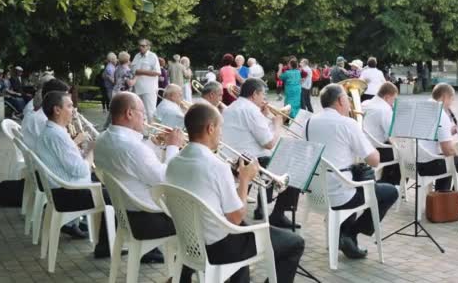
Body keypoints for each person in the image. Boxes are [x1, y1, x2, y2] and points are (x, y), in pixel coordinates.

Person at [166, 103, 305, 283]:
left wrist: (236, 179)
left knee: (247, 229)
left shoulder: (173, 162)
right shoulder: (216, 166)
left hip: (190, 242)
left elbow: (208, 192)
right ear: (210, 128)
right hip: (219, 246)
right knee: (294, 243)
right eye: (220, 127)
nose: (221, 133)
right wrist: (245, 180)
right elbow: (236, 217)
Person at [95, 92, 191, 268]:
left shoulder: (103, 138)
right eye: (142, 112)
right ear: (129, 114)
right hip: (147, 218)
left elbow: (135, 166)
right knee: (198, 218)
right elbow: (166, 179)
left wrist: (154, 143)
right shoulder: (132, 147)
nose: (146, 117)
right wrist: (173, 146)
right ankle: (189, 268)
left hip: (126, 214)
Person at [305, 84, 398, 259]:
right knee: (390, 192)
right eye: (347, 99)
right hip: (341, 194)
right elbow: (374, 160)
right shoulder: (347, 123)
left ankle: (344, 236)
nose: (349, 103)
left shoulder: (309, 122)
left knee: (354, 180)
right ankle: (350, 234)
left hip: (317, 193)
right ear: (340, 100)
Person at [34, 91, 114, 257]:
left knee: (109, 185)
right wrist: (91, 150)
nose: (73, 110)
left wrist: (82, 152)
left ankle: (105, 241)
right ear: (57, 110)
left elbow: (71, 164)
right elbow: (80, 170)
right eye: (69, 106)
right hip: (67, 194)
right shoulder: (57, 135)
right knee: (114, 196)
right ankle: (106, 246)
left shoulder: (54, 131)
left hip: (63, 189)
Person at [222, 78, 300, 228]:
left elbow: (254, 132)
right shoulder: (250, 110)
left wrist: (265, 117)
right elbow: (269, 143)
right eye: (263, 95)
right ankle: (277, 213)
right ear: (254, 94)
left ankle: (262, 207)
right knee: (295, 166)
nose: (264, 99)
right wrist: (278, 124)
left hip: (233, 157)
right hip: (248, 160)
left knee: (275, 158)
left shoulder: (232, 107)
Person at [418, 83, 458, 196]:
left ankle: (440, 198)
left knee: (449, 162)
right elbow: (447, 151)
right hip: (427, 164)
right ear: (445, 97)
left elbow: (431, 132)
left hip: (412, 161)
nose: (451, 103)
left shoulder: (423, 107)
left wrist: (451, 131)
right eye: (451, 99)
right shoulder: (441, 114)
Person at [362, 82, 401, 185]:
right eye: (393, 99)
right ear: (387, 97)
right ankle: (393, 185)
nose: (393, 103)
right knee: (404, 154)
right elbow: (392, 135)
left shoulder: (365, 103)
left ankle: (384, 180)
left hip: (364, 148)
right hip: (376, 150)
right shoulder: (385, 109)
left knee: (394, 149)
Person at [21, 79, 70, 150]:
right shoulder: (44, 119)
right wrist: (78, 139)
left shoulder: (41, 114)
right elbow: (61, 149)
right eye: (66, 99)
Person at [131, 39, 161, 122]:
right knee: (140, 113)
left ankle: (153, 133)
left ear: (148, 47)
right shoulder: (137, 56)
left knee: (150, 112)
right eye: (140, 45)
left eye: (143, 46)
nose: (141, 47)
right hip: (137, 89)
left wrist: (142, 71)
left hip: (149, 89)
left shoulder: (152, 56)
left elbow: (158, 72)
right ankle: (143, 133)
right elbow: (133, 69)